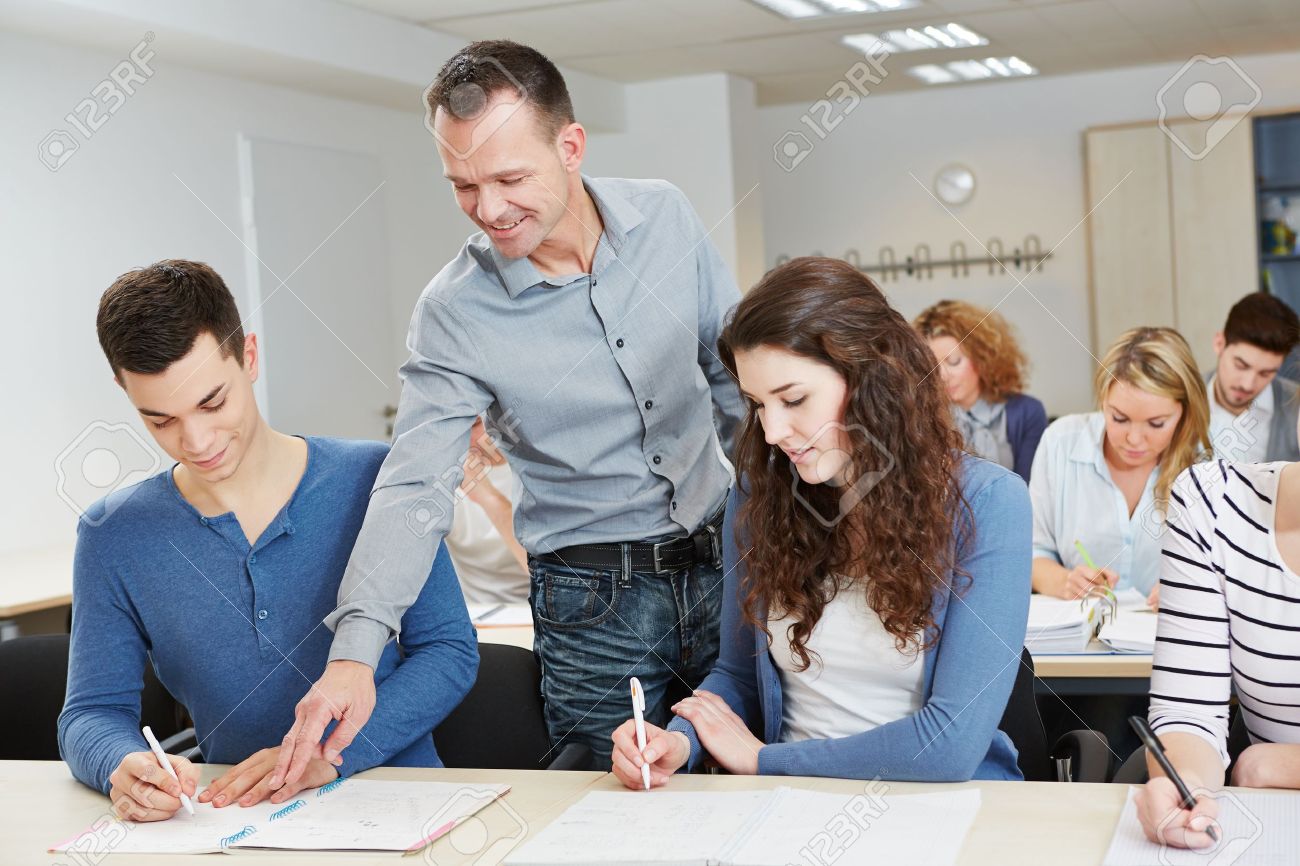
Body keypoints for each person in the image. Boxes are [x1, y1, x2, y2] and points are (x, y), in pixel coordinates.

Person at [273, 40, 745, 785]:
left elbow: (735, 383)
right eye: (462, 184)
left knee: (756, 780)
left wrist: (797, 532)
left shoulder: (666, 217)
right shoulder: (454, 312)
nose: (488, 208)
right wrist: (355, 655)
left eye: (509, 177)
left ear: (571, 146)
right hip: (594, 602)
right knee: (614, 807)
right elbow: (415, 486)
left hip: (727, 561)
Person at [58, 261, 477, 821]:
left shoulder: (376, 482)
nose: (197, 441)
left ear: (249, 357)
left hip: (402, 811)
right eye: (161, 420)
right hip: (242, 821)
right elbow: (90, 713)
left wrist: (327, 757)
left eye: (212, 403)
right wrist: (122, 764)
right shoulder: (114, 535)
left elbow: (448, 651)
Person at [607, 257, 1032, 787]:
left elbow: (949, 746)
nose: (772, 432)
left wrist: (763, 760)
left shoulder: (988, 503)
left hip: (937, 810)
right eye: (758, 405)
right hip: (786, 803)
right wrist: (680, 741)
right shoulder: (760, 497)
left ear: (873, 376)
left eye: (794, 399)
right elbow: (738, 676)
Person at [1137, 457, 1300, 848]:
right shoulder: (1213, 500)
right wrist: (1187, 781)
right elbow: (1188, 711)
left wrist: (1283, 765)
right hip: (1273, 830)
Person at [1030, 327, 1211, 606]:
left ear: (1184, 414)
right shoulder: (1061, 442)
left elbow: (1223, 568)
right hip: (1075, 642)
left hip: (1164, 639)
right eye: (1119, 418)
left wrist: (1192, 588)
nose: (1134, 439)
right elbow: (1033, 551)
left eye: (1156, 423)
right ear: (1103, 398)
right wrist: (1064, 581)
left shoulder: (1205, 467)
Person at [914, 299, 1048, 483]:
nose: (943, 376)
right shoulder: (921, 417)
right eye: (932, 367)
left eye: (953, 361)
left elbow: (1029, 489)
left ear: (982, 358)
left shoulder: (1027, 412)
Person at [1203, 292, 1300, 464]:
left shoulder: (1295, 407)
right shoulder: (1180, 400)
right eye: (1241, 365)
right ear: (1219, 344)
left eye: (1266, 373)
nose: (1248, 385)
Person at [446, 416, 529, 605]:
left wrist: (489, 499)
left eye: (474, 424)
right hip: (473, 615)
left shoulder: (533, 475)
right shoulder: (445, 482)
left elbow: (546, 571)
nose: (465, 436)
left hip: (535, 609)